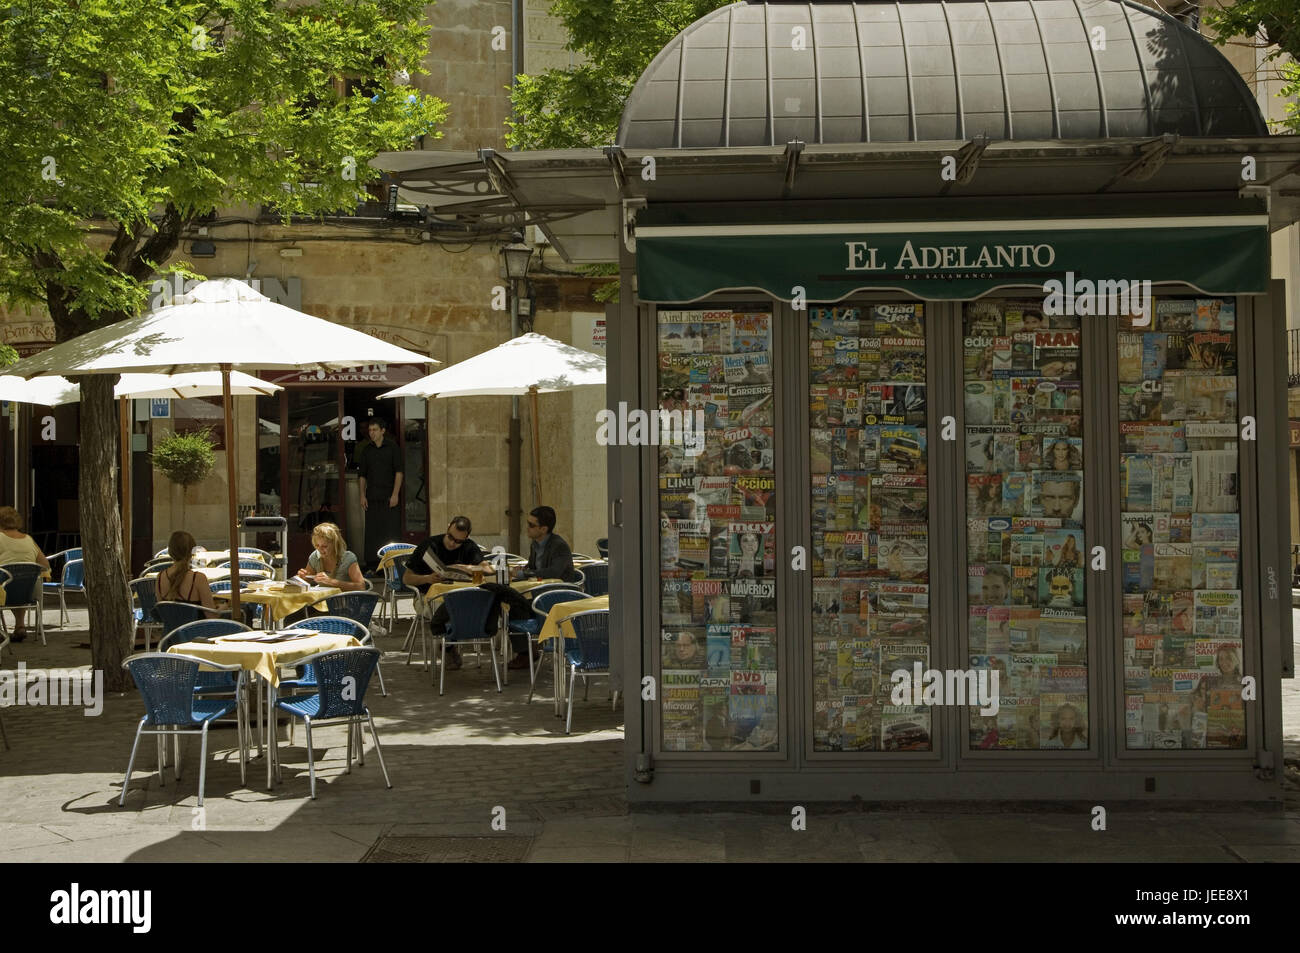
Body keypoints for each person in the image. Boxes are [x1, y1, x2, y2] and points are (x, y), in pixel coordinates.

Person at [404, 517, 493, 670]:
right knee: (448, 608)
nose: (453, 543)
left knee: (477, 605)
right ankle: (449, 648)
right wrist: (427, 578)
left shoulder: (469, 547)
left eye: (458, 541)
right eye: (450, 537)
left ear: (466, 538)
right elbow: (406, 578)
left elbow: (489, 570)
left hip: (461, 598)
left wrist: (466, 568)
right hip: (429, 598)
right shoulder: (429, 545)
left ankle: (449, 645)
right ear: (447, 528)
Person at [356, 418, 404, 573]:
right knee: (372, 532)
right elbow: (362, 475)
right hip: (372, 496)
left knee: (390, 530)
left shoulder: (392, 448)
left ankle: (392, 565)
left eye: (375, 430)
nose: (372, 433)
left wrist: (395, 494)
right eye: (370, 430)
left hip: (389, 496)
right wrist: (362, 495)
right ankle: (372, 566)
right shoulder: (367, 450)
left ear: (383, 431)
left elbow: (399, 472)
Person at [0, 506, 51, 641]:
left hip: (4, 592)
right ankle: (20, 626)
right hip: (27, 594)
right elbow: (45, 565)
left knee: (7, 581)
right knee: (21, 581)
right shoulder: (29, 539)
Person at [154, 529, 216, 618]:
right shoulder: (198, 578)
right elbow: (211, 615)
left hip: (171, 630)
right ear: (192, 552)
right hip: (196, 630)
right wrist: (222, 608)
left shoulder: (160, 577)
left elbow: (161, 614)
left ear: (170, 552)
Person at [296, 522, 366, 591]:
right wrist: (301, 578)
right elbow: (307, 580)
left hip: (345, 600)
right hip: (323, 599)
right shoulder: (315, 556)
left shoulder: (347, 558)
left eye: (324, 546)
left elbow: (361, 587)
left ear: (335, 544)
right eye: (317, 545)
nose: (320, 549)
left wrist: (331, 581)